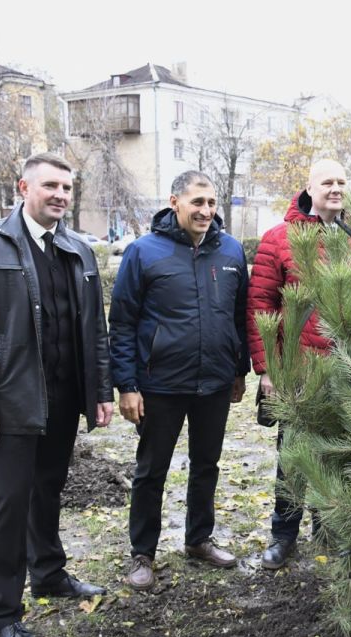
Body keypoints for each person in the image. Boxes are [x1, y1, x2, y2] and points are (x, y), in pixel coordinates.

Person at [0, 153, 113, 637]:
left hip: (64, 398)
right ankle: (4, 613)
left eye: (66, 187)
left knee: (48, 490)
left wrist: (99, 390)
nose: (60, 195)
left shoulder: (78, 249)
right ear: (24, 188)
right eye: (50, 186)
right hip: (11, 400)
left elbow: (95, 329)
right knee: (9, 503)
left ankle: (48, 573)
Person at [109, 171, 250, 591]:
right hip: (160, 384)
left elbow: (238, 316)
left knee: (207, 465)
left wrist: (238, 370)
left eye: (211, 203)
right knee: (151, 471)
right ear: (175, 202)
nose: (206, 210)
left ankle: (198, 540)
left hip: (215, 382)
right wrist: (127, 385)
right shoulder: (143, 252)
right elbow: (122, 323)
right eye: (197, 202)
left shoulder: (231, 251)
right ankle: (142, 553)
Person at [247, 159, 349, 570]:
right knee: (293, 457)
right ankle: (283, 535)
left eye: (342, 182)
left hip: (345, 370)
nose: (336, 188)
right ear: (309, 188)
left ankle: (328, 528)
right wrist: (269, 369)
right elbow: (261, 307)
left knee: (337, 454)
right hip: (298, 370)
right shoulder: (279, 238)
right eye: (327, 182)